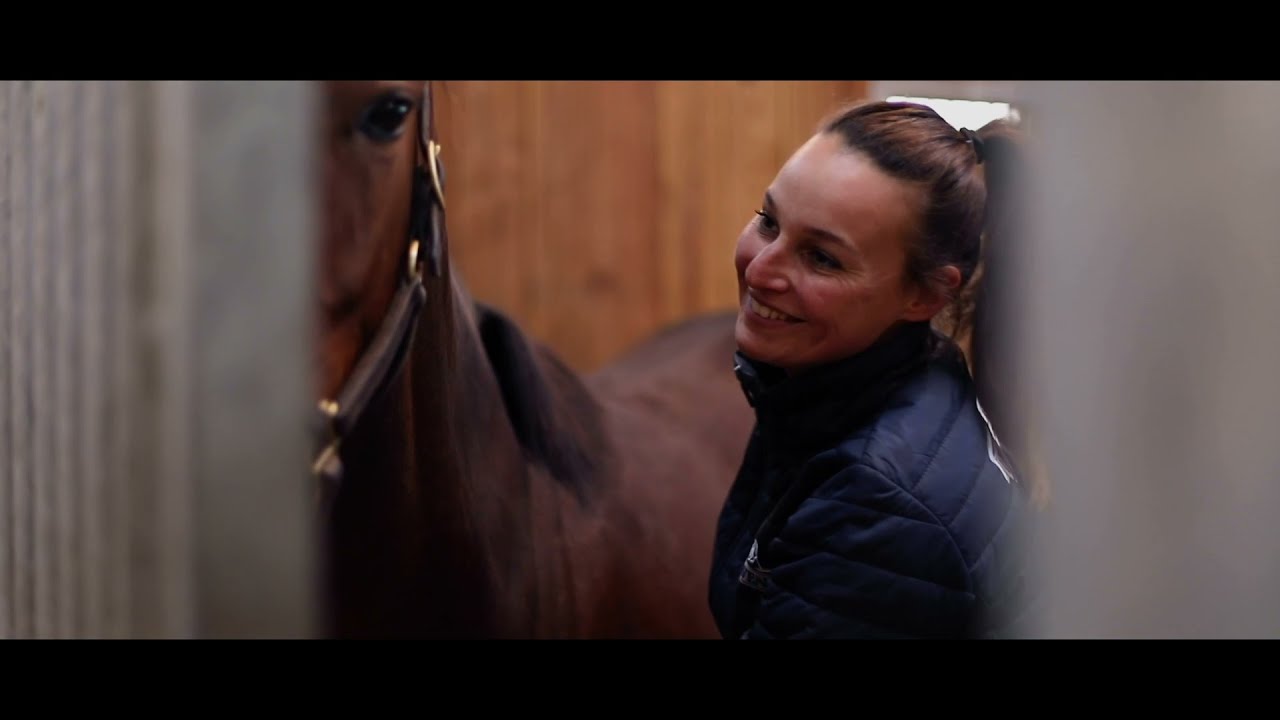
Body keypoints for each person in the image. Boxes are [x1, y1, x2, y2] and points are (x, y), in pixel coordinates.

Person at [708, 100, 1042, 639]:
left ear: (924, 295)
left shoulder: (876, 506)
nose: (760, 269)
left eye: (822, 258)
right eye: (769, 222)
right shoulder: (836, 392)